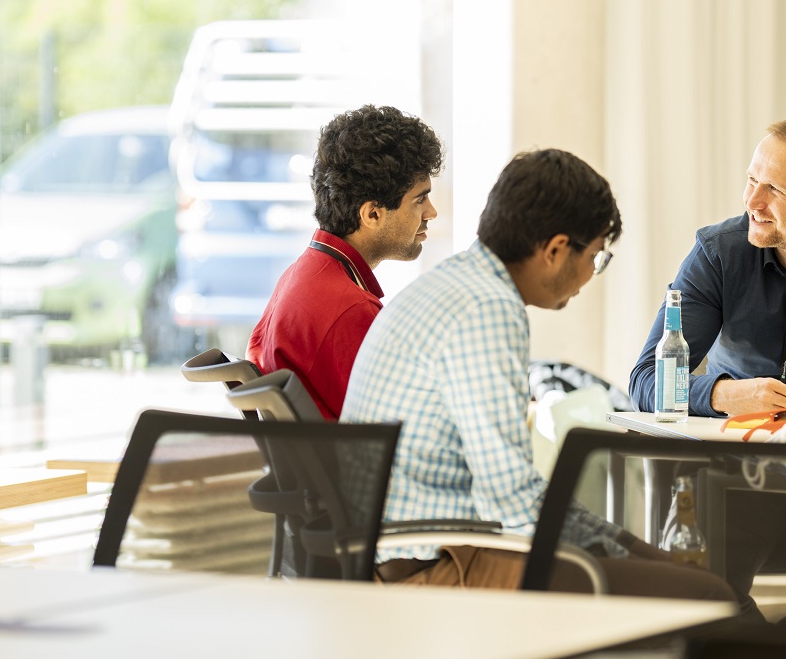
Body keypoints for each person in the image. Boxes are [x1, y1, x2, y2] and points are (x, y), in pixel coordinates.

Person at [342, 149, 735, 604]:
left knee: (669, 576)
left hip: (408, 551)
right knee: (705, 595)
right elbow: (511, 500)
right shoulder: (488, 308)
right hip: (434, 567)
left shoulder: (456, 283)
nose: (591, 275)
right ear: (554, 251)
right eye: (596, 257)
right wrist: (632, 554)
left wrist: (633, 549)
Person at [628, 118, 786, 418]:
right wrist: (725, 394)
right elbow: (645, 381)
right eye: (752, 181)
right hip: (732, 450)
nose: (752, 201)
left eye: (774, 189)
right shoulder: (717, 253)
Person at [247, 104, 442, 420]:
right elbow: (405, 429)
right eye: (420, 199)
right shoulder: (350, 310)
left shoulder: (300, 277)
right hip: (355, 467)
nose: (431, 212)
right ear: (372, 214)